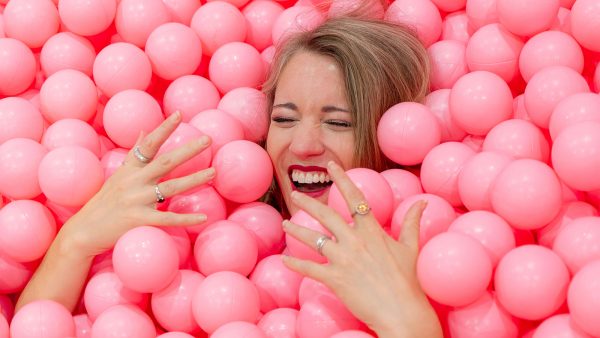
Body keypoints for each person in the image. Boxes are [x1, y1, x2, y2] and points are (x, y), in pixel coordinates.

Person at [17, 9, 443, 338]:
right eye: (285, 118)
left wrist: (408, 321)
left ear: (389, 135)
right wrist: (76, 242)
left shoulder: (422, 259)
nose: (303, 145)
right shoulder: (202, 224)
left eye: (338, 122)